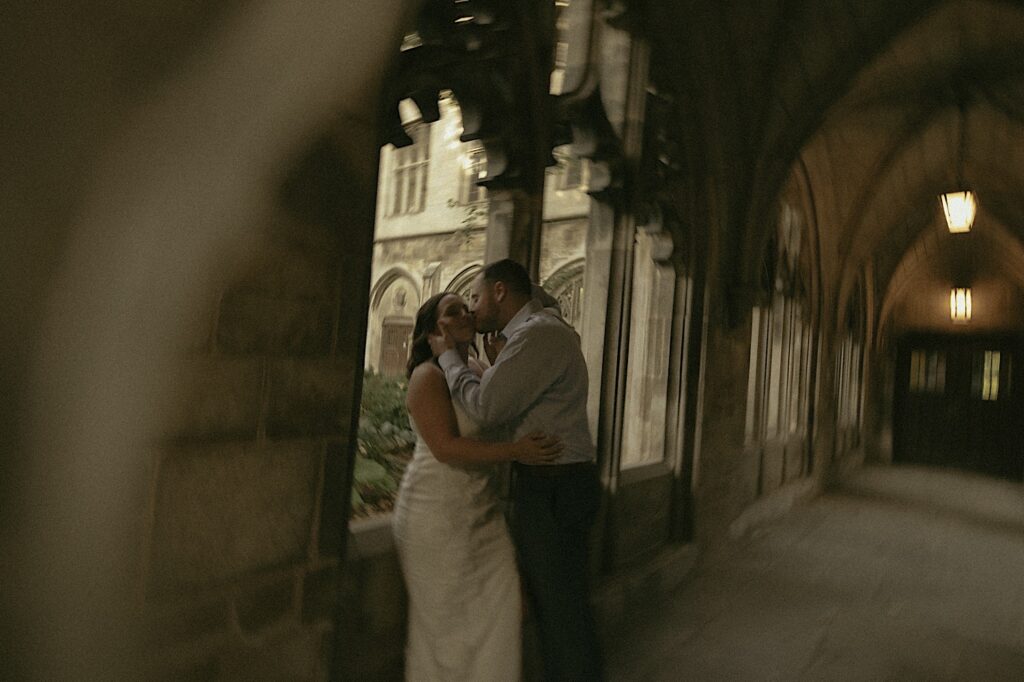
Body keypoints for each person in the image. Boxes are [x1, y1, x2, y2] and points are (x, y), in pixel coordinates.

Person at [430, 259, 603, 681]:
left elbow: (487, 409)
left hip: (554, 485)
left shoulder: (537, 333)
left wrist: (449, 359)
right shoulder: (540, 329)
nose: (473, 308)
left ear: (501, 292)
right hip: (559, 481)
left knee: (559, 614)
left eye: (475, 296)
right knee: (560, 608)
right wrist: (496, 368)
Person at [392, 291, 563, 682]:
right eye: (454, 311)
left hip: (482, 510)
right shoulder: (427, 376)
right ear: (437, 328)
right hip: (435, 514)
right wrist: (517, 451)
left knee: (508, 609)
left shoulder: (472, 368)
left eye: (467, 306)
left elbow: (509, 409)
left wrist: (502, 361)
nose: (467, 312)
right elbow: (446, 448)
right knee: (448, 633)